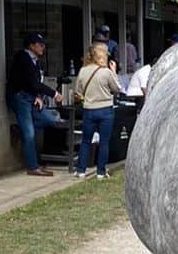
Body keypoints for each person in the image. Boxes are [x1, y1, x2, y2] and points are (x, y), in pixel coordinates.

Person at [6, 32, 62, 177]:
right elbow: (33, 82)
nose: (43, 47)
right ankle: (33, 166)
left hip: (30, 97)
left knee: (50, 119)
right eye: (40, 44)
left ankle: (19, 129)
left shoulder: (35, 60)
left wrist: (37, 96)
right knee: (30, 133)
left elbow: (33, 84)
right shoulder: (23, 58)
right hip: (20, 97)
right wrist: (54, 94)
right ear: (31, 45)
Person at [74, 42, 121, 179]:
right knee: (104, 142)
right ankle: (101, 172)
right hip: (106, 110)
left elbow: (78, 92)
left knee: (86, 141)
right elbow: (117, 89)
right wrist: (114, 72)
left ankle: (81, 170)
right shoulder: (106, 72)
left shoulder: (83, 71)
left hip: (89, 109)